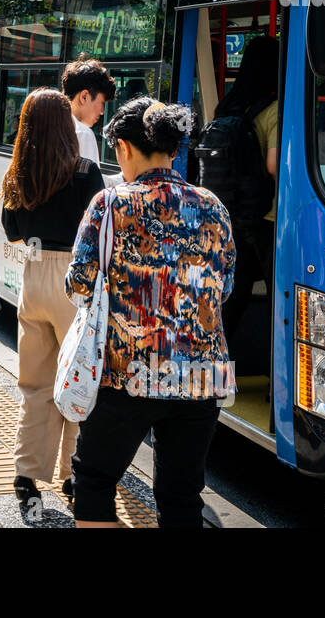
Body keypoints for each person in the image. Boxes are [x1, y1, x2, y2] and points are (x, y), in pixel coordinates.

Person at [65, 98, 236, 528]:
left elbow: (79, 283)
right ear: (174, 150)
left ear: (123, 148)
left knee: (94, 481)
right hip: (202, 375)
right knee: (182, 496)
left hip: (129, 370)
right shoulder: (214, 206)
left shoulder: (111, 203)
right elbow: (224, 287)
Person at [0, 89, 103, 508]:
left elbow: (11, 231)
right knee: (78, 379)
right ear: (66, 125)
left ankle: (26, 474)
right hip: (72, 282)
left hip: (34, 274)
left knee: (35, 382)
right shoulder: (85, 171)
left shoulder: (19, 173)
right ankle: (73, 475)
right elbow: (96, 231)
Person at [207, 35, 279, 346]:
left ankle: (216, 361)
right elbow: (274, 165)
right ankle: (277, 375)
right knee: (280, 294)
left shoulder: (230, 104)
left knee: (233, 295)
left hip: (234, 212)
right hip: (268, 214)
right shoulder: (274, 108)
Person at [61, 56, 117, 166]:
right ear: (84, 96)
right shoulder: (83, 134)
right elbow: (91, 182)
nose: (102, 112)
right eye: (102, 103)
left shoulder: (49, 123)